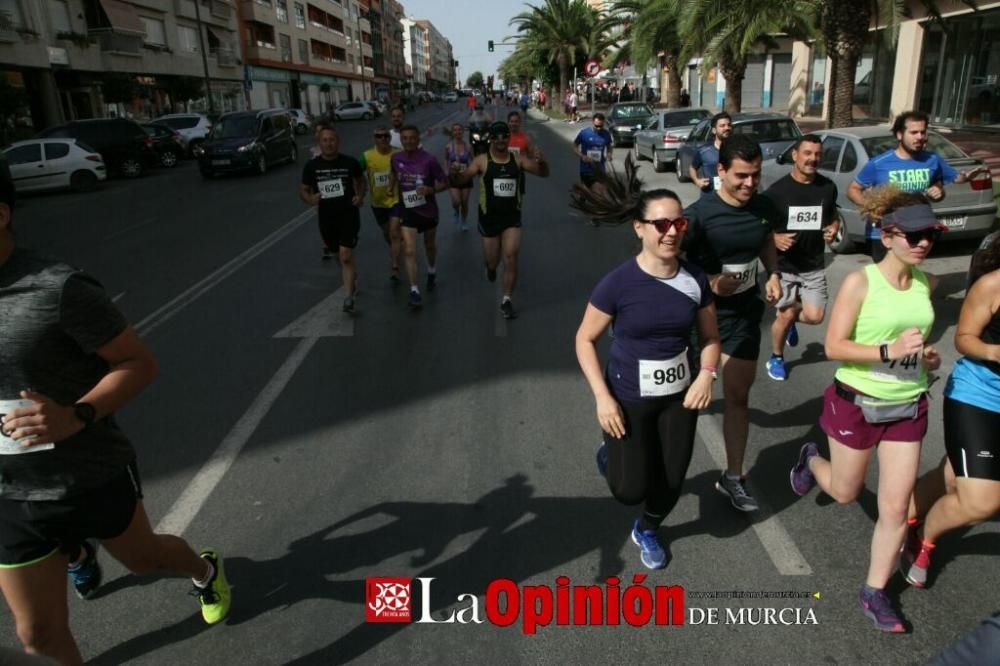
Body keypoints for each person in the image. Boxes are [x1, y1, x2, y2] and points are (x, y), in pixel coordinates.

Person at [0, 167, 230, 665]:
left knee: (146, 560)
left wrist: (75, 415)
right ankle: (76, 553)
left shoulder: (57, 289)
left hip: (87, 474)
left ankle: (206, 572)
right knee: (37, 637)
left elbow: (138, 363)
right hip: (10, 492)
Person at [789, 188, 944, 632]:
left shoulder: (925, 283)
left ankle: (874, 592)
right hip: (856, 402)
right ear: (888, 234)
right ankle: (810, 459)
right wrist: (888, 349)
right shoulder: (861, 282)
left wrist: (925, 356)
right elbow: (834, 346)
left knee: (895, 509)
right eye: (912, 236)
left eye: (928, 235)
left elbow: (916, 343)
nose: (922, 244)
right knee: (845, 492)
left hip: (907, 405)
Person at [571, 160, 721, 570]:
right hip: (629, 396)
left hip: (680, 396)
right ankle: (610, 455)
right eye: (660, 224)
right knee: (628, 488)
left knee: (671, 479)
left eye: (678, 223)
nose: (671, 231)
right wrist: (602, 398)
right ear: (639, 228)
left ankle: (649, 528)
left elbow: (710, 338)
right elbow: (584, 339)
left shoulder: (694, 278)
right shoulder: (618, 283)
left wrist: (707, 374)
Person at [682, 134, 782, 512]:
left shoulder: (763, 206)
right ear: (720, 170)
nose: (749, 184)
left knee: (738, 396)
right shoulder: (699, 215)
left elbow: (765, 242)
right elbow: (669, 264)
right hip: (699, 320)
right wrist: (708, 283)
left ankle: (733, 477)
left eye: (755, 175)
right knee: (683, 403)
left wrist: (773, 273)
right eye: (741, 175)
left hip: (742, 315)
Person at [901, 232, 1000, 589]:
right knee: (982, 502)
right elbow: (964, 338)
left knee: (954, 473)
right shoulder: (992, 285)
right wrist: (995, 352)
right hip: (980, 396)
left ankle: (904, 514)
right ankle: (924, 539)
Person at [847, 110, 984, 262]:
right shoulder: (879, 163)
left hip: (918, 231)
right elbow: (853, 189)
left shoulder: (932, 160)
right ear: (900, 135)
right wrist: (871, 206)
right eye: (913, 132)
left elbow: (949, 181)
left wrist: (945, 188)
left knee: (908, 281)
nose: (919, 137)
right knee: (886, 281)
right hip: (886, 233)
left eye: (922, 132)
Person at [449, 121, 549, 319]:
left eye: (504, 136)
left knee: (511, 257)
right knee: (492, 262)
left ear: (508, 138)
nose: (501, 140)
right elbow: (462, 180)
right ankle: (491, 269)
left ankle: (507, 300)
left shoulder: (518, 160)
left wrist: (542, 162)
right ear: (491, 139)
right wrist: (455, 174)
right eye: (497, 137)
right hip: (489, 219)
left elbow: (543, 173)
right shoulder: (481, 161)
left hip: (512, 219)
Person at [761, 134, 841, 381]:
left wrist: (834, 226)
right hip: (783, 266)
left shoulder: (827, 188)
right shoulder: (777, 192)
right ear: (795, 155)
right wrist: (774, 239)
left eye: (817, 154)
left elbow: (832, 215)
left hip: (813, 264)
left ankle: (791, 319)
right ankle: (776, 357)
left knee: (815, 317)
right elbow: (760, 227)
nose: (812, 159)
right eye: (807, 153)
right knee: (784, 314)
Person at [300, 124, 366, 313]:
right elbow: (303, 189)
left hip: (348, 214)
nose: (329, 144)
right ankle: (351, 274)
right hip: (326, 217)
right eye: (325, 140)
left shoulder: (350, 162)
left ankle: (348, 298)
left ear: (338, 142)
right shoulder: (312, 166)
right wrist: (310, 199)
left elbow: (361, 181)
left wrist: (360, 196)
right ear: (319, 143)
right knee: (339, 255)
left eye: (332, 140)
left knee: (345, 254)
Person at [390, 124, 450, 309]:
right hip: (408, 210)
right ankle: (414, 290)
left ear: (418, 140)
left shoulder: (429, 160)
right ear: (401, 140)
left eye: (412, 138)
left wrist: (430, 189)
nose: (408, 141)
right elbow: (394, 174)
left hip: (428, 211)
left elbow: (445, 182)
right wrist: (391, 187)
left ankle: (431, 270)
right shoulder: (395, 158)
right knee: (409, 249)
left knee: (429, 245)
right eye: (405, 138)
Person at [360, 125, 403, 284]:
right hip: (378, 203)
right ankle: (395, 248)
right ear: (374, 139)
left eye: (386, 136)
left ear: (390, 138)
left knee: (394, 232)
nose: (383, 139)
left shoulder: (398, 154)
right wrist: (360, 191)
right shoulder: (367, 156)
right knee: (387, 234)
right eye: (379, 136)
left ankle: (395, 266)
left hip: (396, 200)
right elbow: (355, 172)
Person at [689, 112, 733, 198]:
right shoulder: (704, 151)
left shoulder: (738, 150)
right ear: (714, 130)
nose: (727, 128)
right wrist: (697, 181)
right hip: (710, 196)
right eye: (722, 126)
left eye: (729, 125)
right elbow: (692, 168)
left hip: (731, 196)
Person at [573, 113, 613, 195]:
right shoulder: (584, 133)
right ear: (592, 122)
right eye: (596, 126)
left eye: (601, 126)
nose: (598, 129)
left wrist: (609, 154)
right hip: (586, 169)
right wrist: (582, 155)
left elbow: (609, 146)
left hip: (600, 169)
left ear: (604, 123)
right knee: (587, 193)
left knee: (600, 192)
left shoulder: (606, 134)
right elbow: (574, 146)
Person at [444, 123, 473, 231]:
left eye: (459, 130)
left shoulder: (468, 146)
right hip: (453, 178)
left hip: (465, 178)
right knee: (456, 201)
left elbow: (473, 160)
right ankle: (456, 210)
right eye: (455, 130)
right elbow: (446, 159)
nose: (457, 132)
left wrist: (471, 171)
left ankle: (464, 221)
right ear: (452, 132)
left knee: (464, 202)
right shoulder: (448, 146)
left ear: (463, 132)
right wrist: (446, 171)